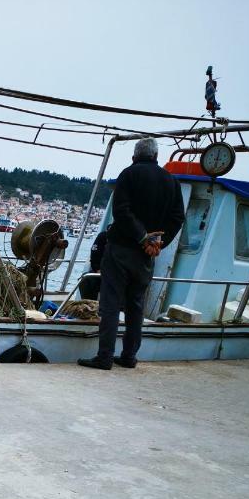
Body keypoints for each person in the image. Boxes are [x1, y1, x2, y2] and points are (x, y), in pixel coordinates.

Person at [78, 138, 185, 369]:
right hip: (147, 255)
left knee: (110, 304)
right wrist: (157, 243)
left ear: (135, 156)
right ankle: (129, 357)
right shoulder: (172, 181)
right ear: (156, 156)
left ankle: (104, 356)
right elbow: (177, 218)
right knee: (136, 306)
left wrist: (141, 236)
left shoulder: (129, 174)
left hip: (121, 250)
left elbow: (121, 211)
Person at [78, 227, 108, 301]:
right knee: (86, 279)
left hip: (123, 276)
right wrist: (98, 269)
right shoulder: (104, 236)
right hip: (103, 273)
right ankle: (88, 306)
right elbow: (95, 254)